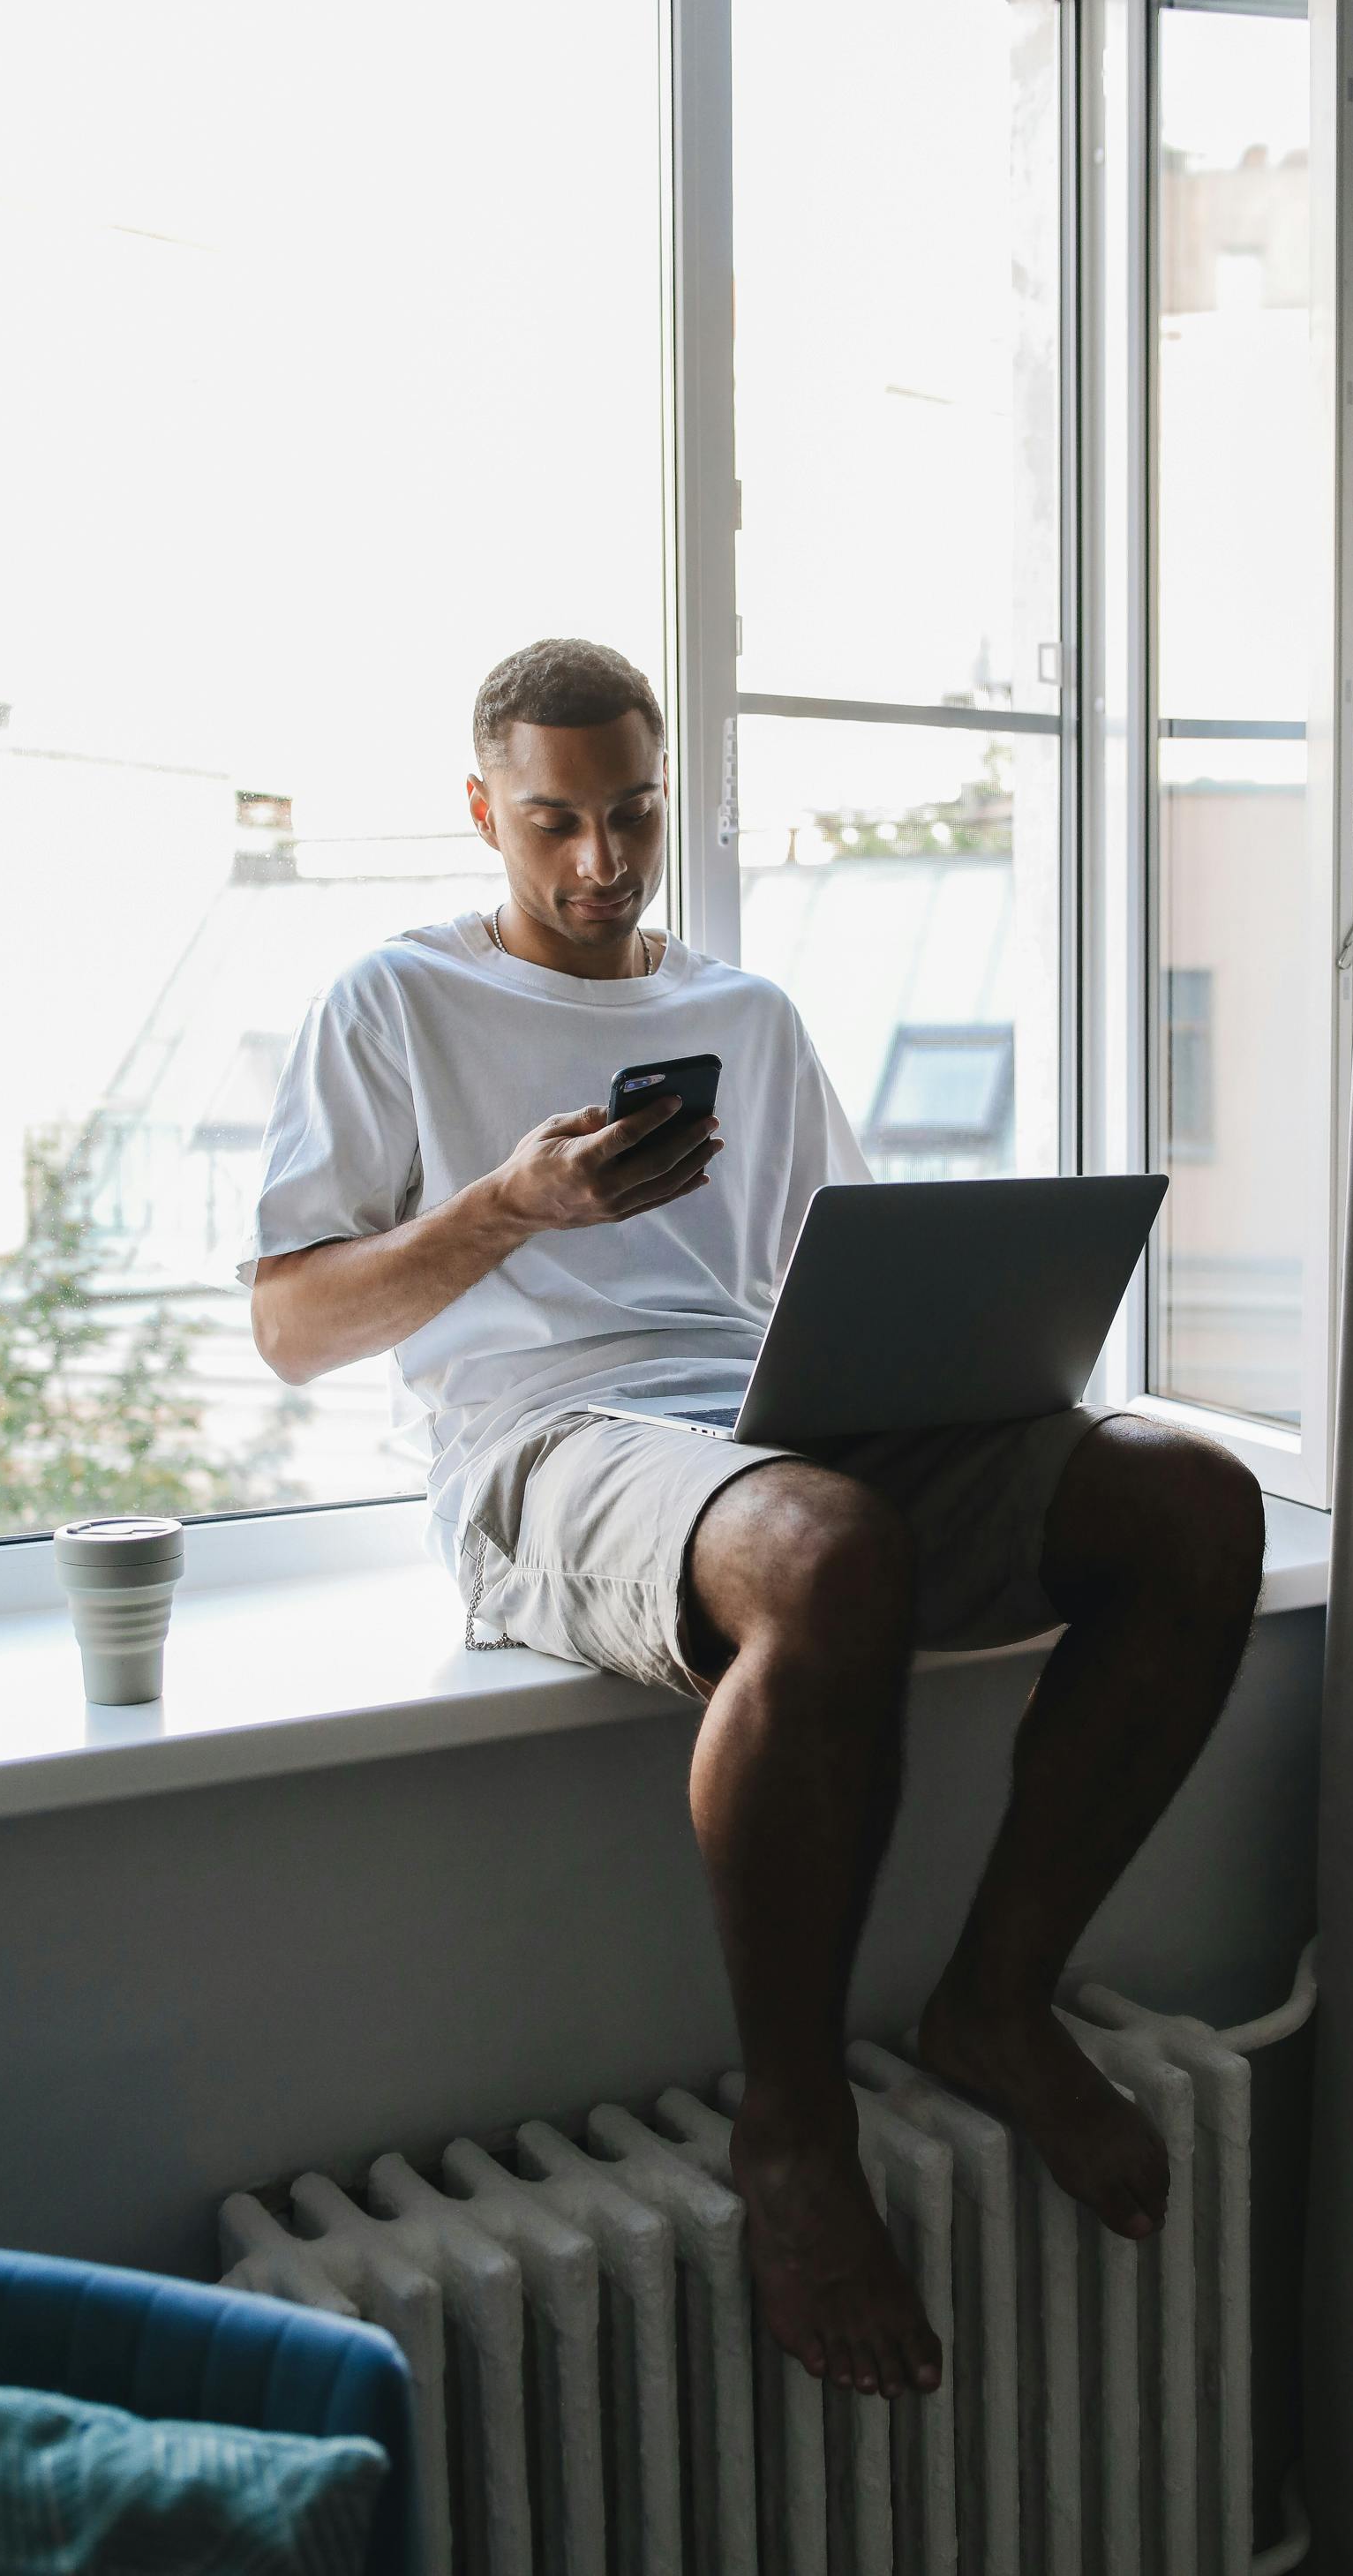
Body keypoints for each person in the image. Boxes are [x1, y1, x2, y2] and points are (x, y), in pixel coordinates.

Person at [246, 635, 1265, 2403]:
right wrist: (507, 1206)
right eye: (553, 822)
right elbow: (289, 1325)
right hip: (549, 1445)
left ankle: (998, 1999)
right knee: (826, 1549)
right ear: (484, 811)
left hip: (764, 1429)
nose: (598, 864)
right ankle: (792, 2131)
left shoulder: (747, 1017)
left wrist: (960, 1359)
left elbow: (832, 1284)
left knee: (1189, 1499)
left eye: (631, 815)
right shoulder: (394, 1004)